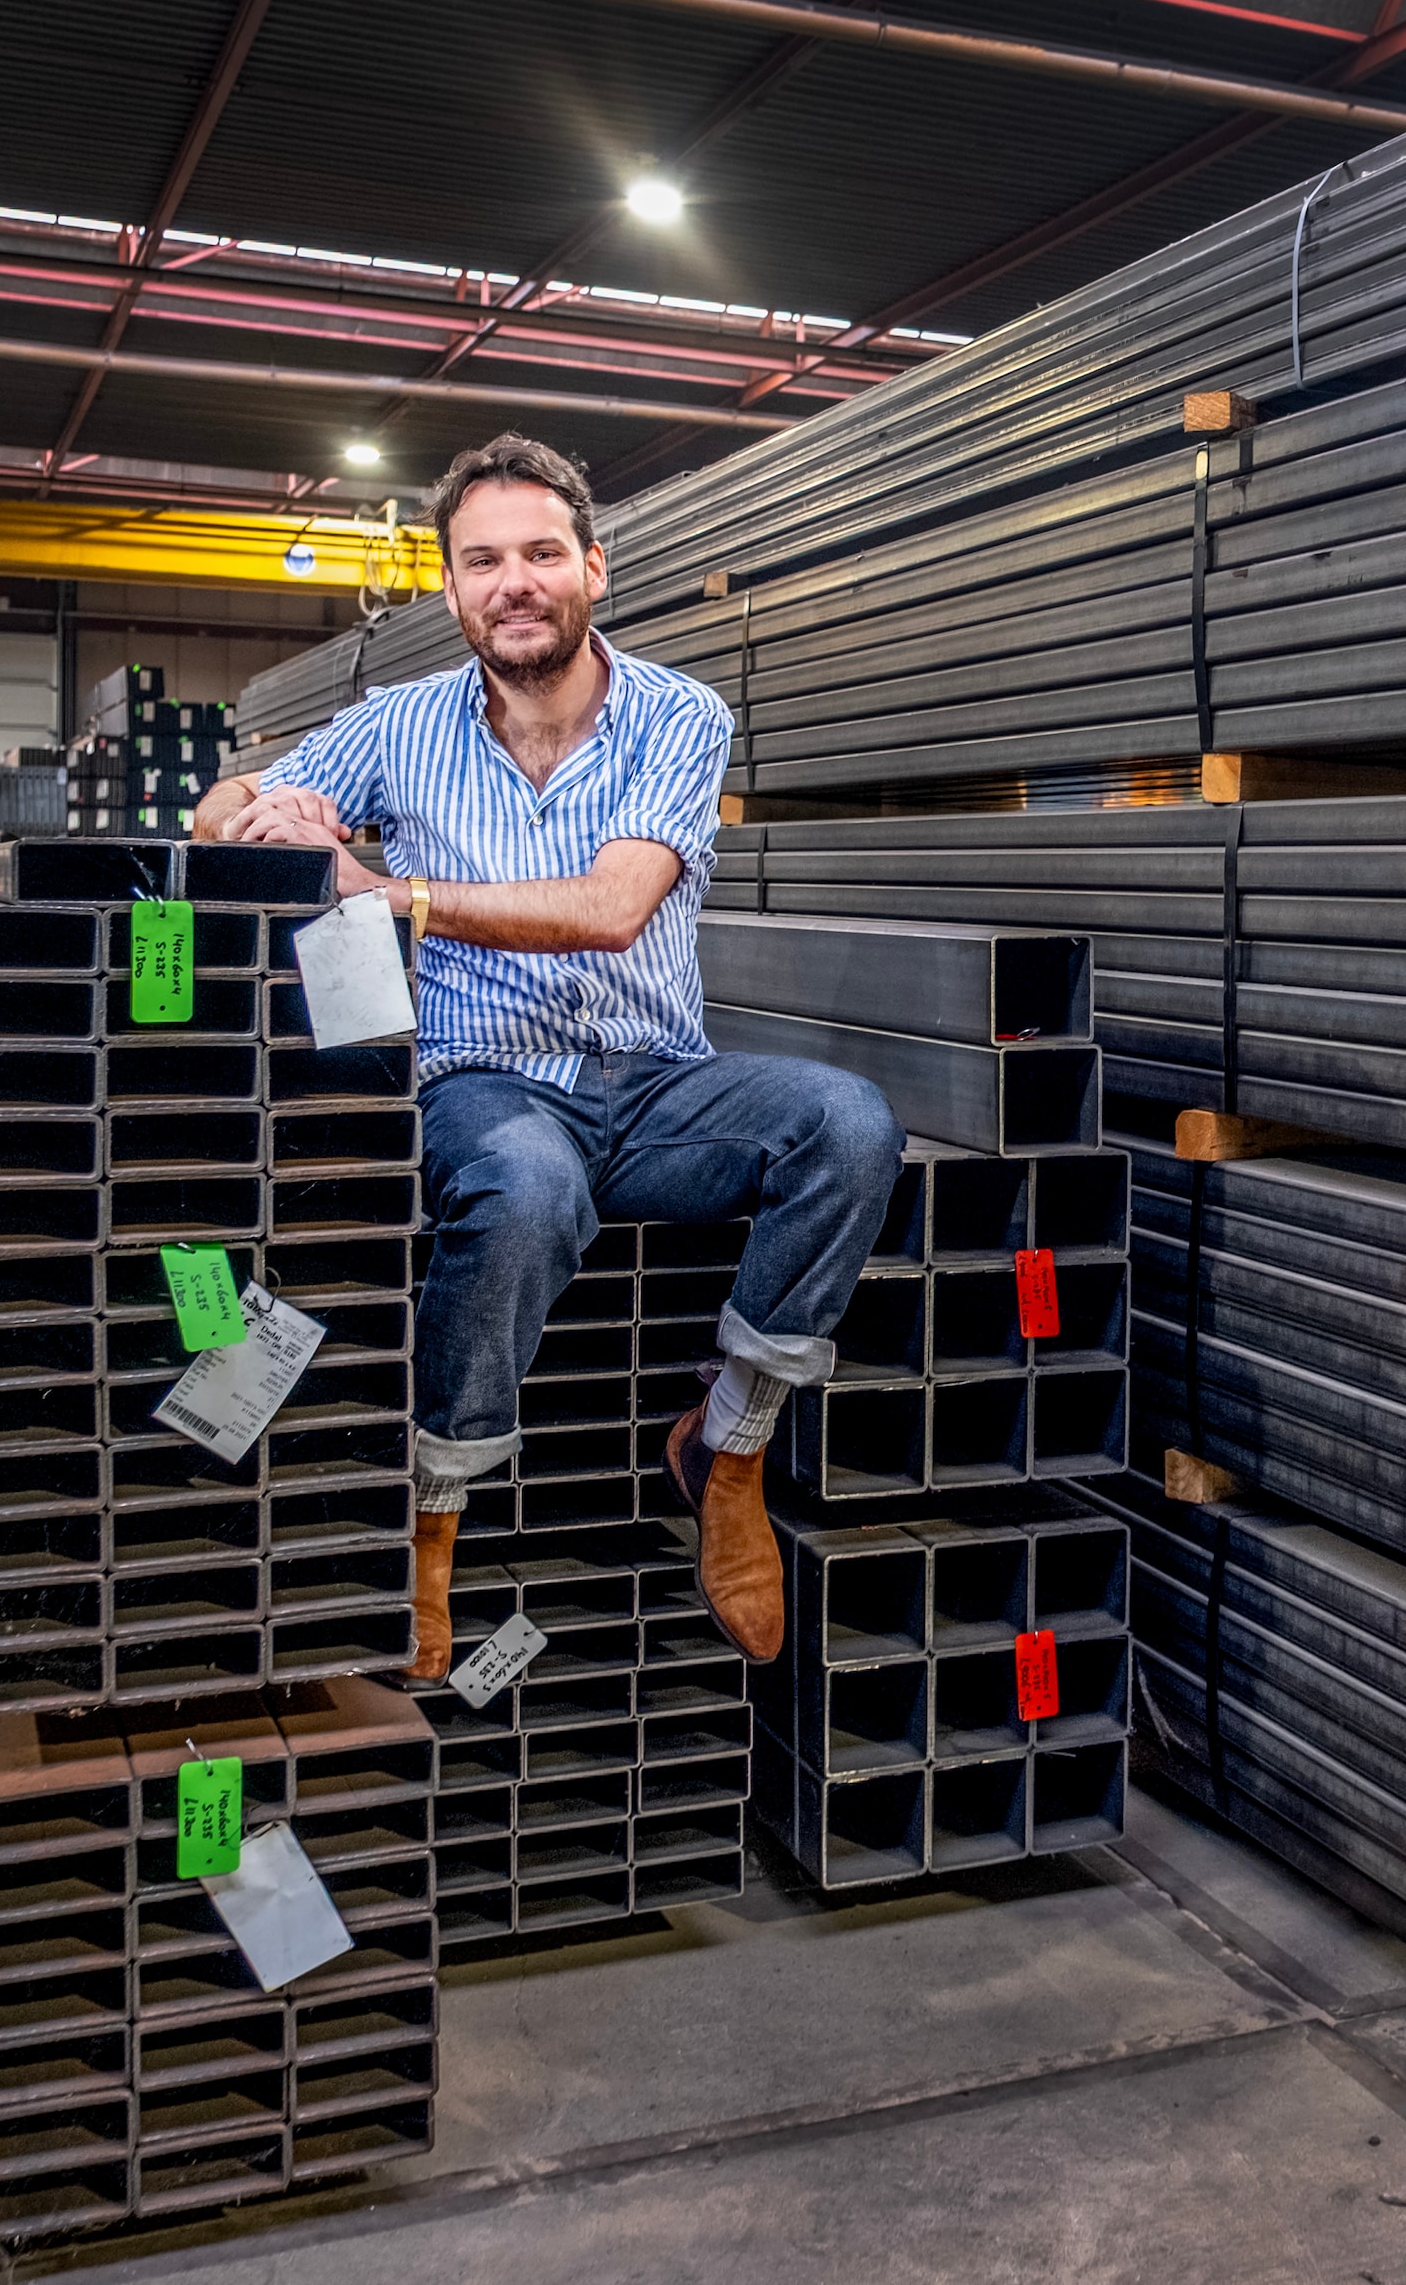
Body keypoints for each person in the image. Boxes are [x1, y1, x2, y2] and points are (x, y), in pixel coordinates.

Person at [194, 431, 905, 1675]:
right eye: (481, 561)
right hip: (483, 1082)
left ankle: (725, 1449)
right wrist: (269, 808)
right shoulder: (397, 724)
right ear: (454, 589)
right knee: (524, 1189)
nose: (511, 582)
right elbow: (213, 814)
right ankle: (431, 1519)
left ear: (593, 568)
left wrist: (393, 892)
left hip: (654, 1081)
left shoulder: (680, 714)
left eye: (537, 553)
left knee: (848, 1124)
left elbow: (610, 905)